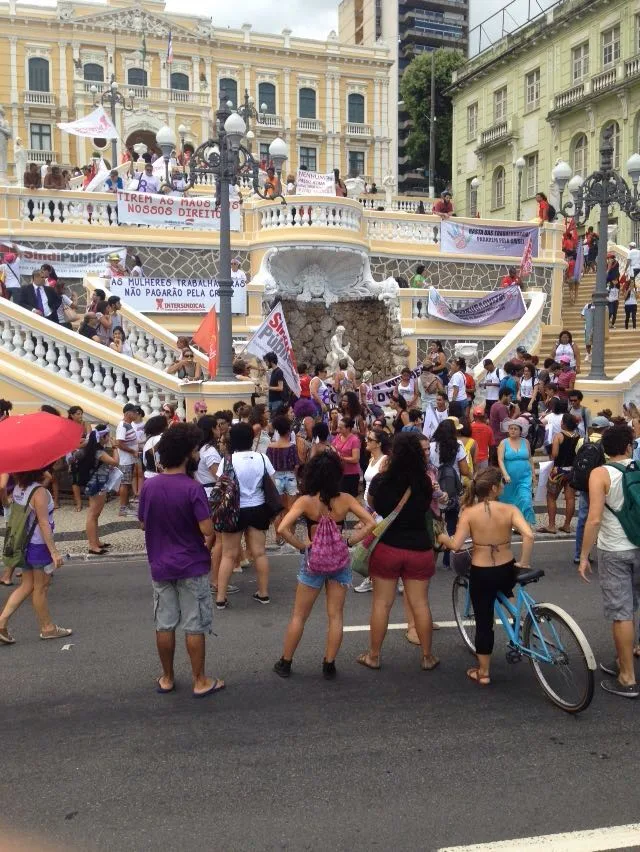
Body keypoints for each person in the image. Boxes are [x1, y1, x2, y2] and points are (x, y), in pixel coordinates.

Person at [138, 423, 223, 697]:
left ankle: (167, 677)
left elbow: (142, 522)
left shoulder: (149, 486)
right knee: (194, 624)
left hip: (160, 564)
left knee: (164, 623)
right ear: (187, 454)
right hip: (192, 563)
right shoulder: (192, 488)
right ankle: (199, 680)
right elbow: (207, 530)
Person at [274, 452, 376, 679]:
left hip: (314, 561)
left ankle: (285, 662)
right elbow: (370, 523)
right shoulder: (346, 499)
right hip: (339, 561)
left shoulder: (306, 502)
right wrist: (349, 541)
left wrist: (302, 545)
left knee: (299, 615)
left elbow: (281, 529)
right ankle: (329, 664)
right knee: (336, 615)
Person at [438, 467, 534, 685]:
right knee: (505, 588)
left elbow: (456, 545)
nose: (503, 486)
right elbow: (529, 535)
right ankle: (517, 624)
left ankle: (483, 672)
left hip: (482, 572)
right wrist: (524, 563)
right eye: (501, 483)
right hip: (507, 569)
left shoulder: (469, 514)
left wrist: (443, 537)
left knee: (483, 621)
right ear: (494, 488)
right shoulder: (510, 509)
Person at [357, 432, 439, 671]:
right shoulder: (423, 481)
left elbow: (372, 504)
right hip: (419, 547)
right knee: (420, 604)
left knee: (382, 604)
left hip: (388, 546)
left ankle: (374, 655)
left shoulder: (381, 480)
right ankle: (427, 656)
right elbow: (427, 506)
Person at [578, 424, 640, 698]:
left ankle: (627, 675)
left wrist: (583, 555)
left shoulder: (600, 473)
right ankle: (623, 661)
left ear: (604, 449)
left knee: (622, 612)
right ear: (629, 446)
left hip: (615, 549)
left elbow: (594, 518)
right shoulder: (637, 469)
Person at [0, 469, 70, 645]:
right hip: (39, 545)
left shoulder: (18, 488)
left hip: (24, 544)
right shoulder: (39, 492)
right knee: (41, 588)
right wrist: (54, 552)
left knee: (27, 585)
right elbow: (44, 523)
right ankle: (47, 628)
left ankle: (1, 622)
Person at [215, 423, 275, 609]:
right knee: (259, 552)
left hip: (234, 509)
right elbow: (272, 483)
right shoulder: (262, 458)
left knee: (228, 554)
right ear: (251, 439)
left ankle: (221, 597)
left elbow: (221, 484)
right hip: (258, 508)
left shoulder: (227, 460)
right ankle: (263, 593)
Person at [75, 426, 122, 554]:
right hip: (97, 484)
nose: (109, 438)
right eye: (107, 435)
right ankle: (92, 545)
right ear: (102, 437)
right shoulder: (99, 452)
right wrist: (115, 447)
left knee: (95, 514)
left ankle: (96, 541)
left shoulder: (94, 449)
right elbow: (115, 462)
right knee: (93, 514)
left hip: (97, 483)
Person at [431, 418, 470, 568]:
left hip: (434, 487)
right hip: (452, 488)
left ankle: (433, 553)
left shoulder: (432, 446)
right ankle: (448, 559)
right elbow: (465, 470)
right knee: (452, 523)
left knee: (435, 521)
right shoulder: (458, 445)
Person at [573, 414, 611, 566]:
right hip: (601, 484)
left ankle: (578, 554)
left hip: (584, 484)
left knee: (583, 518)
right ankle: (601, 550)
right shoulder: (606, 443)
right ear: (605, 429)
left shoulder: (583, 441)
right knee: (602, 517)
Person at [539, 413, 580, 534]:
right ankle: (567, 525)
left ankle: (551, 526)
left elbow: (555, 454)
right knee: (570, 498)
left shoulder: (558, 436)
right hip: (572, 470)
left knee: (551, 497)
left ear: (563, 423)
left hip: (558, 470)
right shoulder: (578, 436)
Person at [266, 414, 300, 535]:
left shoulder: (270, 447)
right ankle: (291, 535)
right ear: (288, 430)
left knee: (278, 509)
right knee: (292, 509)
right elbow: (296, 465)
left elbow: (268, 466)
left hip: (275, 477)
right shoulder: (292, 447)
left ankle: (278, 535)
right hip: (290, 476)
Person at [497, 419, 536, 525]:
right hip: (509, 477)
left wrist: (533, 474)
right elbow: (500, 460)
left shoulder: (526, 442)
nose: (513, 431)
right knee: (509, 500)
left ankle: (525, 523)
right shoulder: (503, 443)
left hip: (524, 476)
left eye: (515, 429)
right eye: (511, 428)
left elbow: (530, 458)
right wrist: (505, 474)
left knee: (526, 499)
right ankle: (511, 522)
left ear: (520, 431)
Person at [116, 403, 139, 517]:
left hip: (130, 459)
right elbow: (119, 444)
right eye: (134, 412)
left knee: (128, 482)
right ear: (127, 413)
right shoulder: (122, 426)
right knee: (125, 483)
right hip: (125, 460)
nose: (136, 414)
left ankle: (126, 504)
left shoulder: (129, 425)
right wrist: (132, 451)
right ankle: (122, 508)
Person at [332, 416, 361, 497]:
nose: (338, 430)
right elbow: (332, 447)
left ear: (348, 428)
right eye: (338, 427)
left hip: (351, 474)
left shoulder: (354, 440)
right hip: (339, 472)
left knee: (349, 498)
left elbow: (355, 459)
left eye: (341, 428)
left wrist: (341, 458)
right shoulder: (338, 437)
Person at [142, 414, 167, 480]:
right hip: (158, 476)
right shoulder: (160, 439)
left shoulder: (148, 440)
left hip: (148, 474)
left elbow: (145, 461)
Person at [470, 406, 493, 471]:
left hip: (472, 458)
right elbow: (491, 446)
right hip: (484, 459)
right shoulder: (488, 429)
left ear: (474, 416)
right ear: (483, 417)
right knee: (483, 479)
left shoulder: (469, 427)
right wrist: (490, 460)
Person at [264, 351, 285, 416]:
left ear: (271, 361)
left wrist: (268, 387)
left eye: (267, 362)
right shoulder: (274, 371)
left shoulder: (279, 372)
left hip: (277, 401)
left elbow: (280, 388)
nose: (266, 364)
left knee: (275, 419)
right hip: (272, 400)